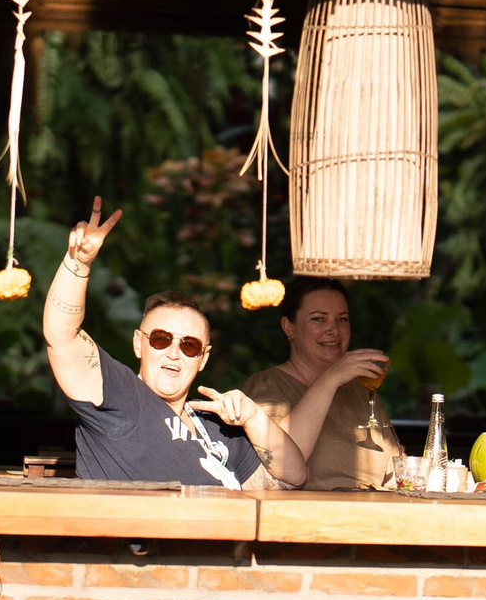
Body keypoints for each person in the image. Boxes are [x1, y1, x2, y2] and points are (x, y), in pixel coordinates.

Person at [43, 199, 307, 489]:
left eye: (189, 345)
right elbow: (62, 336)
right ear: (138, 344)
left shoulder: (217, 424)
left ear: (203, 358)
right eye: (161, 339)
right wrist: (77, 264)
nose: (173, 352)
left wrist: (254, 416)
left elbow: (295, 475)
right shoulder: (121, 398)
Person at [238, 278, 405, 490]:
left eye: (342, 320)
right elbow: (276, 466)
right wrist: (330, 379)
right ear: (289, 327)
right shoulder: (267, 386)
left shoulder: (361, 389)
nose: (333, 330)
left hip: (376, 515)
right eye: (318, 319)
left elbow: (396, 471)